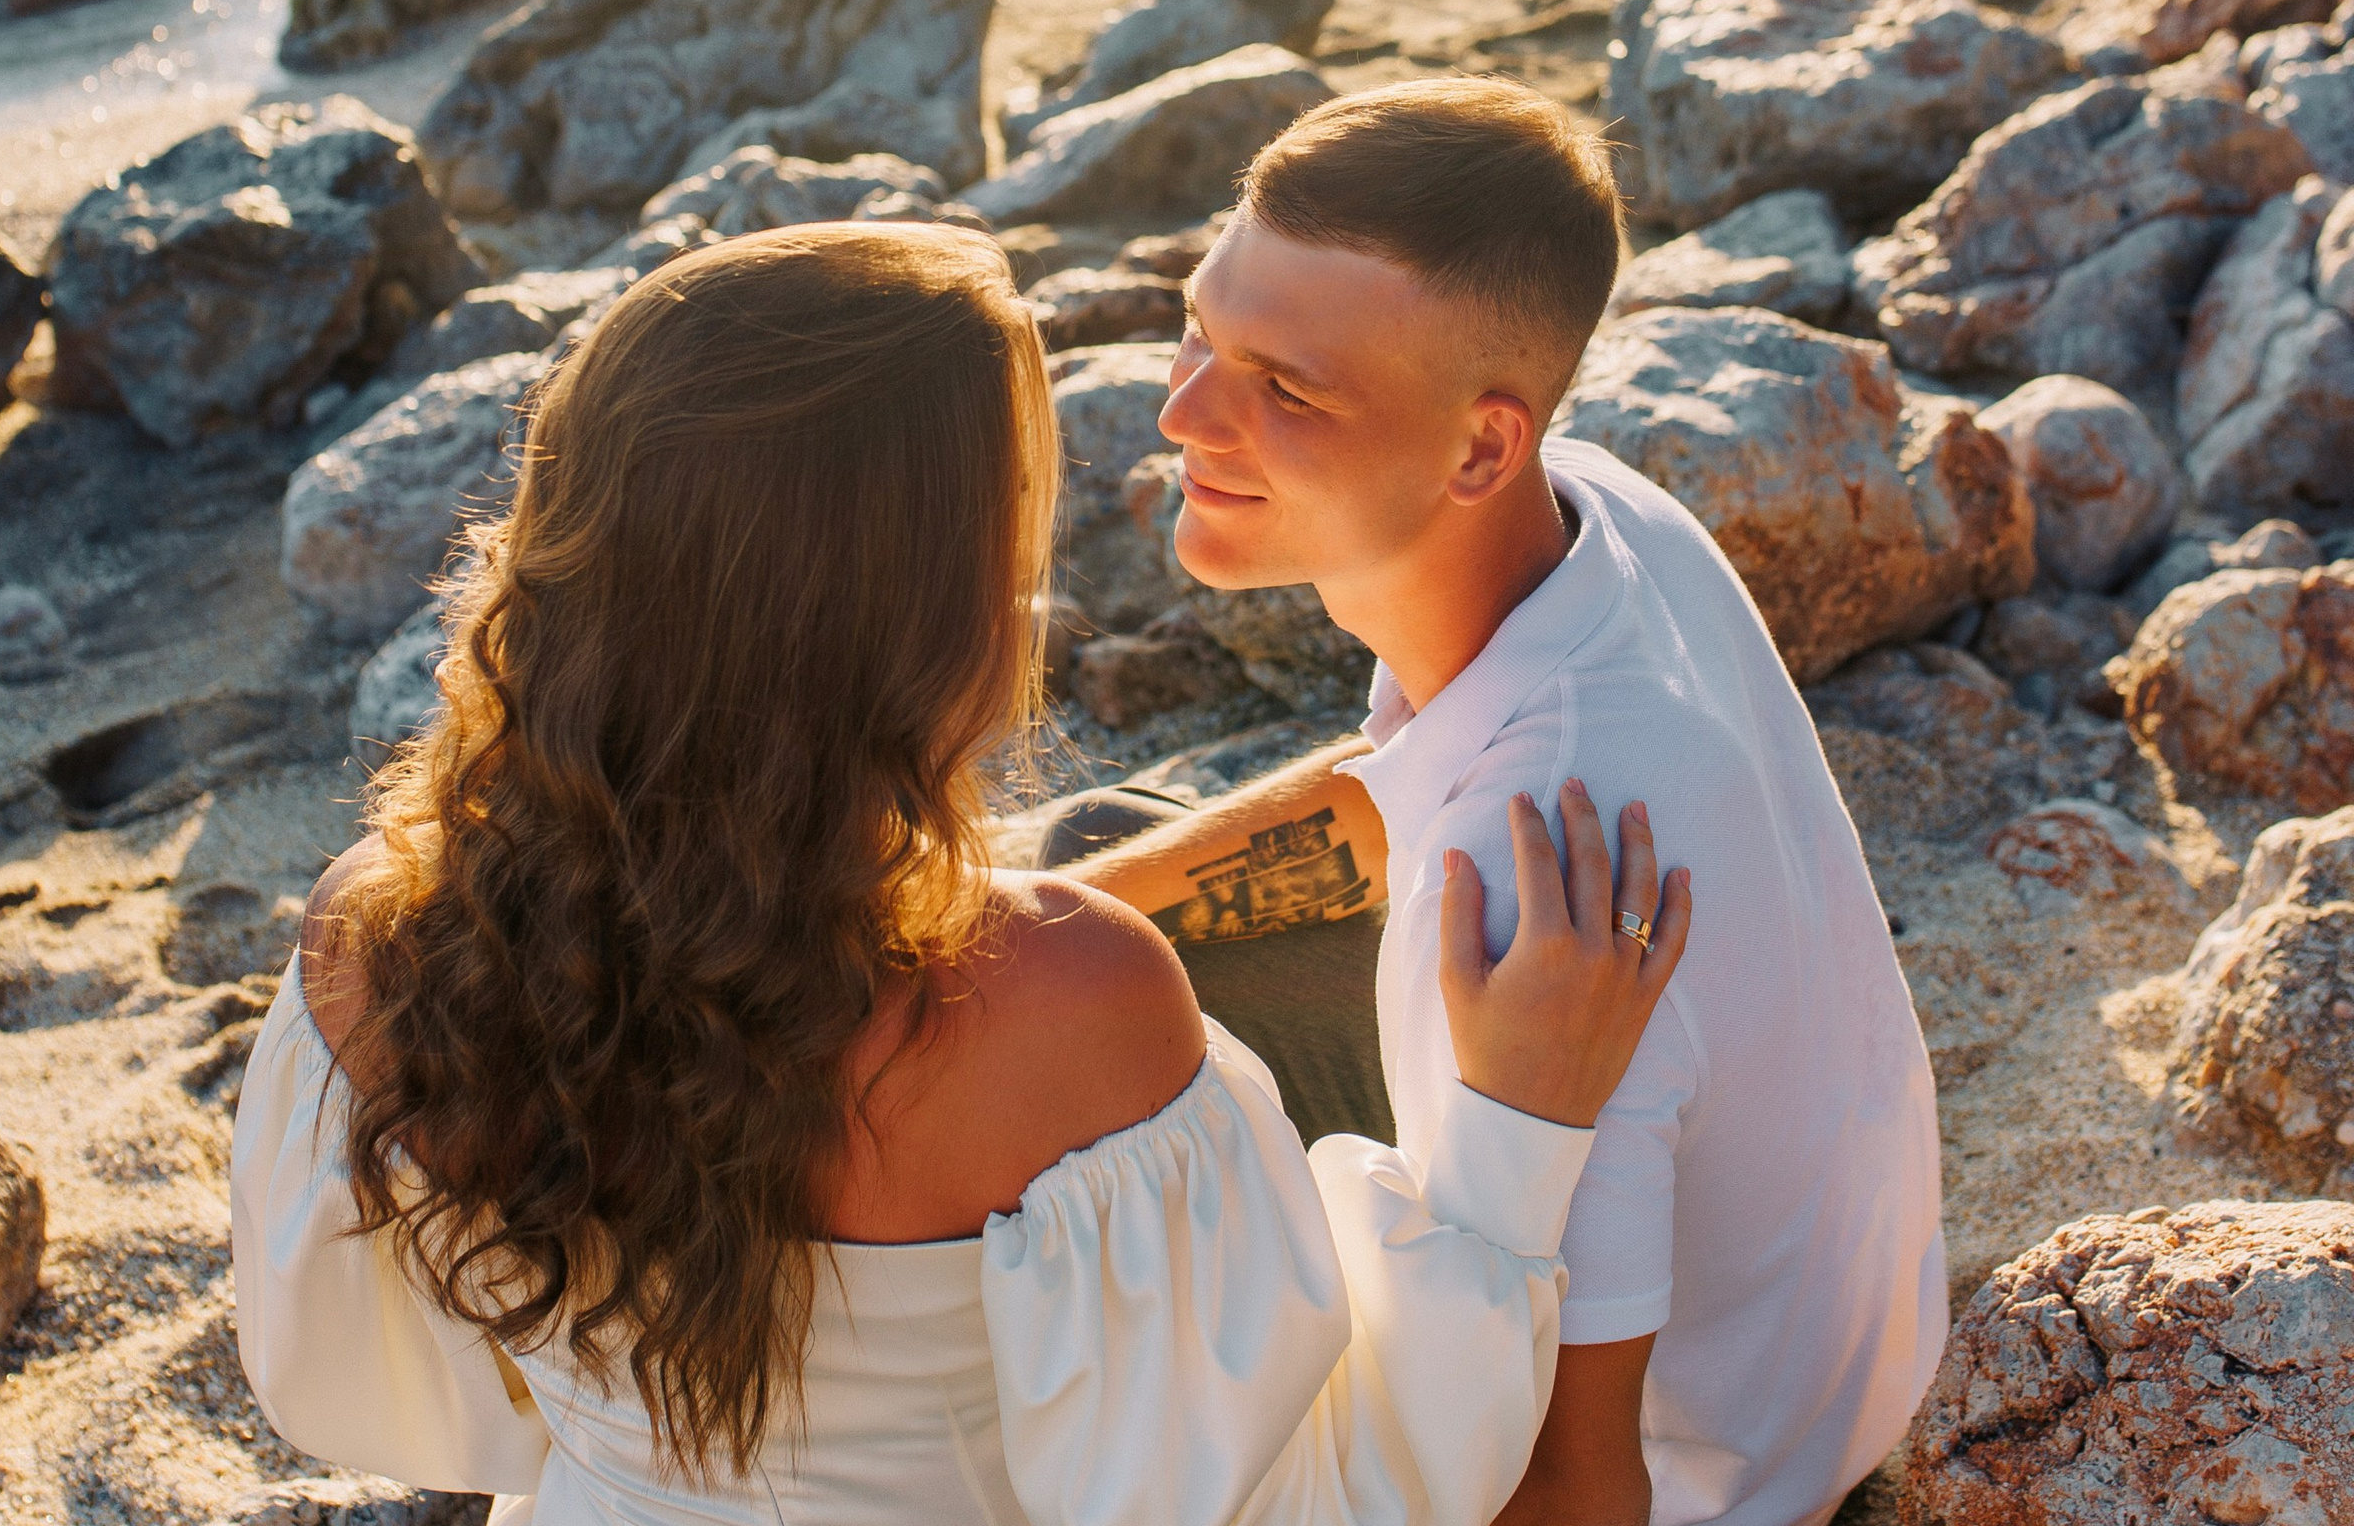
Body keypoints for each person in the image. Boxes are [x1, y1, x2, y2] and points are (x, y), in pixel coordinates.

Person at [232, 222, 1691, 1526]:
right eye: (1008, 538)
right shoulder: (1071, 998)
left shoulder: (384, 927)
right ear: (920, 612)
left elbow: (439, 1403)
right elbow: (1308, 1504)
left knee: (1087, 838)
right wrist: (1514, 1135)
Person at [1064, 79, 1946, 1526]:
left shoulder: (1550, 874)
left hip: (1711, 1475)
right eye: (1201, 329)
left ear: (1481, 443)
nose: (1181, 412)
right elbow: (1395, 796)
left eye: (1284, 389)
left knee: (1062, 1118)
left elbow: (1574, 1488)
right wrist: (1020, 915)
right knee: (1086, 889)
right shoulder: (1600, 511)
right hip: (1837, 1347)